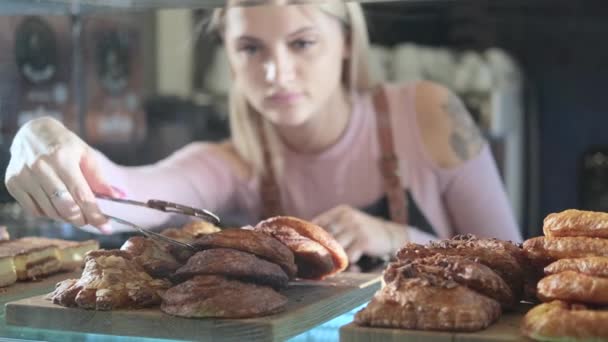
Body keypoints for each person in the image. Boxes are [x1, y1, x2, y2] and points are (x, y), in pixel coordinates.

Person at [4, 0, 522, 266]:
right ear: (229, 56)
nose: (276, 73)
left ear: (345, 41)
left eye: (301, 43)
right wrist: (41, 137)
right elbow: (119, 192)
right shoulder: (237, 162)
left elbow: (515, 267)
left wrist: (397, 237)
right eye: (252, 49)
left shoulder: (428, 113)